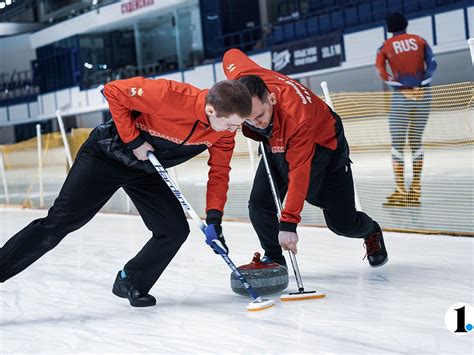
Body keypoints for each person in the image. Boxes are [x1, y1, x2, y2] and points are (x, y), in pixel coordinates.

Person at [0, 77, 252, 307]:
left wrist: (215, 220)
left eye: (238, 126)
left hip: (146, 170)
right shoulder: (169, 95)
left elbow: (219, 173)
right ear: (211, 110)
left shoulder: (223, 135)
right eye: (230, 124)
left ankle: (130, 281)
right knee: (58, 225)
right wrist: (134, 140)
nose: (232, 131)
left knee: (173, 230)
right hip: (106, 156)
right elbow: (113, 91)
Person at [222, 49, 388, 268]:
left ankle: (371, 230)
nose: (256, 123)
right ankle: (274, 259)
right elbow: (230, 54)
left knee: (341, 223)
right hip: (276, 139)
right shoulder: (242, 80)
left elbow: (299, 171)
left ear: (271, 98)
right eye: (248, 120)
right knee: (259, 205)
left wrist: (289, 224)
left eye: (260, 116)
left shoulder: (297, 116)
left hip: (324, 145)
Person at [376, 11, 437, 207]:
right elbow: (433, 65)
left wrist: (402, 88)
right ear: (405, 24)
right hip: (423, 95)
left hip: (401, 97)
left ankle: (401, 191)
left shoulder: (385, 46)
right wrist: (420, 85)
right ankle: (416, 190)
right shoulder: (420, 40)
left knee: (397, 144)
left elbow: (382, 72)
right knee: (416, 141)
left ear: (388, 27)